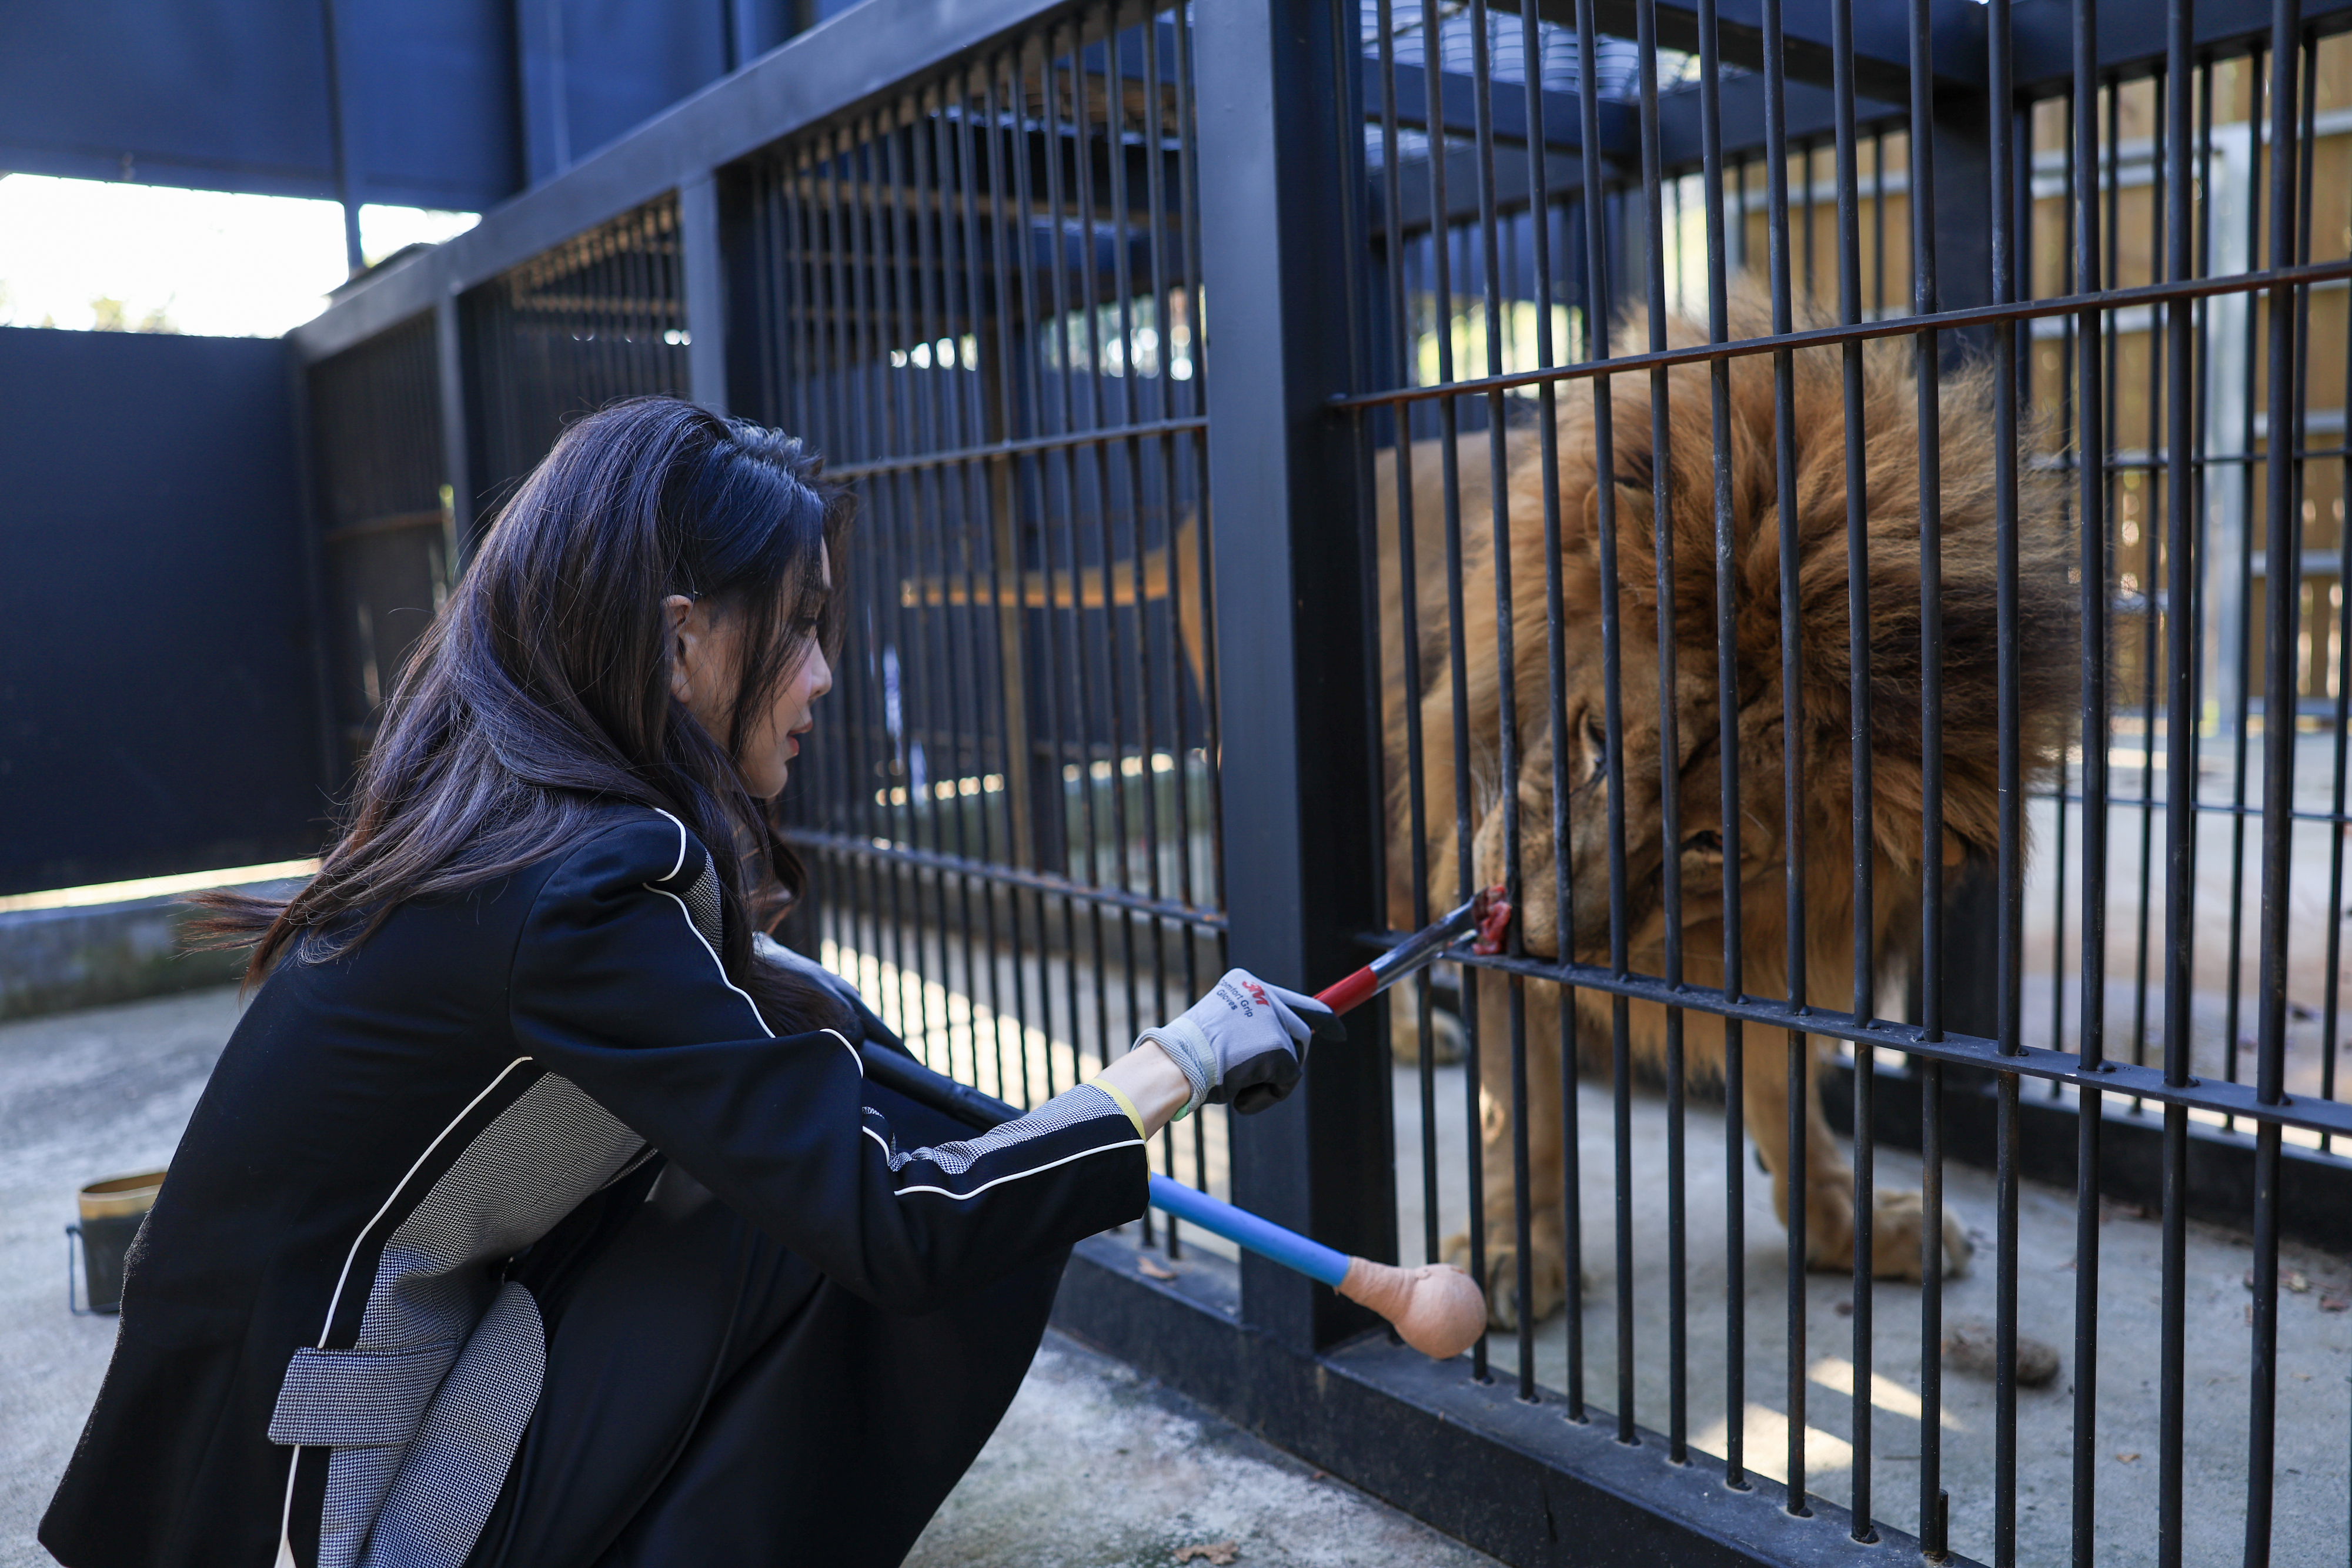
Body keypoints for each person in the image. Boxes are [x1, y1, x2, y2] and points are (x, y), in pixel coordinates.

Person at [39, 399, 1340, 1568]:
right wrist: (1182, 1057)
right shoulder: (593, 884)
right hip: (319, 1504)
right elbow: (891, 1221)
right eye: (804, 628)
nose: (824, 676)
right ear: (681, 646)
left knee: (845, 1140)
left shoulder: (506, 824)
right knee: (889, 1207)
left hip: (248, 1455)